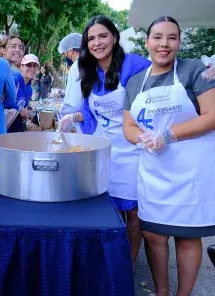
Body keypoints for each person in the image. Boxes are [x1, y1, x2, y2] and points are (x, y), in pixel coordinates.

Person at [123, 16, 215, 296]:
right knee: (152, 233)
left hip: (190, 170)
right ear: (148, 41)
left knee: (187, 235)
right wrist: (144, 138)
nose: (164, 44)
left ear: (179, 42)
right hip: (154, 170)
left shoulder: (195, 70)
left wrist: (168, 135)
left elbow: (212, 116)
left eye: (172, 37)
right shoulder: (136, 82)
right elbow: (128, 125)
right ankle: (162, 292)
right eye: (158, 37)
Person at [58, 15, 151, 266]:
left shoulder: (135, 65)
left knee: (133, 211)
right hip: (103, 148)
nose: (97, 43)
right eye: (91, 38)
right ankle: (105, 259)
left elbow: (162, 76)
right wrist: (71, 118)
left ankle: (128, 264)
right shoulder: (89, 71)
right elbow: (89, 113)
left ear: (114, 37)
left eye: (102, 36)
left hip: (132, 148)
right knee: (104, 206)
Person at [8, 54, 40, 133]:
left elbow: (23, 109)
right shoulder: (15, 80)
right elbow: (2, 102)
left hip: (17, 130)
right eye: (28, 65)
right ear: (22, 67)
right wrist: (19, 109)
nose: (32, 69)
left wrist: (28, 114)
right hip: (5, 128)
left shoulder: (29, 88)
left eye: (35, 66)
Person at [58, 33, 82, 118]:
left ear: (71, 51)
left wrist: (59, 112)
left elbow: (72, 103)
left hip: (78, 118)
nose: (65, 56)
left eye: (65, 53)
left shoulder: (76, 67)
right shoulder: (86, 63)